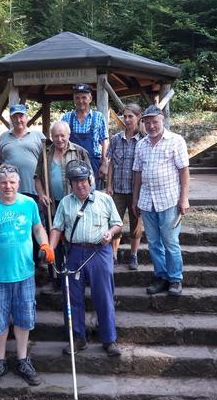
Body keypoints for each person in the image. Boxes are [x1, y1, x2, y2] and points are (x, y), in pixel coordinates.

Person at [0, 164, 55, 388]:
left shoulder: (28, 204)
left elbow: (38, 228)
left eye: (12, 182)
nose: (7, 186)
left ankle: (22, 359)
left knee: (24, 317)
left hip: (24, 273)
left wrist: (46, 244)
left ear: (18, 184)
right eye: (3, 182)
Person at [49, 161, 123, 357]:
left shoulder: (104, 200)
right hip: (74, 252)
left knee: (104, 296)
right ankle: (77, 338)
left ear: (90, 180)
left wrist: (110, 233)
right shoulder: (65, 202)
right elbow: (57, 228)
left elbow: (117, 224)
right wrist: (49, 249)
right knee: (71, 297)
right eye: (75, 182)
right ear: (70, 184)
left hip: (100, 252)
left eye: (83, 180)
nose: (80, 185)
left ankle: (109, 339)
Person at [132, 105, 190, 296]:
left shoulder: (176, 141)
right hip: (147, 201)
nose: (151, 126)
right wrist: (135, 199)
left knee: (170, 242)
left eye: (154, 122)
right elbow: (138, 174)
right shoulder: (141, 145)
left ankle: (175, 279)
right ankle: (161, 277)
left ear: (162, 120)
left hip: (169, 200)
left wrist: (184, 199)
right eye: (147, 122)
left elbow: (184, 171)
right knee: (154, 243)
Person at [106, 104, 143, 270]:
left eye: (131, 116)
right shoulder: (115, 139)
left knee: (136, 225)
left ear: (138, 117)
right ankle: (113, 255)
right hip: (118, 190)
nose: (127, 120)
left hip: (137, 191)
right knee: (115, 223)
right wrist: (108, 185)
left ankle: (133, 255)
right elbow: (111, 164)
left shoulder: (143, 141)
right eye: (125, 116)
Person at [34, 120, 92, 211]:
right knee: (54, 226)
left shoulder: (80, 152)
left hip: (75, 203)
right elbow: (37, 177)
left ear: (69, 135)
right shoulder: (45, 154)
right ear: (51, 137)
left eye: (62, 135)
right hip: (52, 204)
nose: (59, 139)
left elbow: (90, 178)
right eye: (56, 136)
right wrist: (41, 195)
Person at [0, 104, 45, 200]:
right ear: (11, 119)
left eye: (21, 116)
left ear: (26, 117)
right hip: (9, 188)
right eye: (14, 117)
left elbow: (47, 159)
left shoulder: (39, 136)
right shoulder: (3, 137)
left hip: (34, 188)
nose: (18, 120)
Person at [61, 83, 109, 188]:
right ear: (74, 99)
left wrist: (104, 163)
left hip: (94, 163)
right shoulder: (67, 117)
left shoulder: (98, 117)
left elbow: (104, 141)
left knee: (93, 194)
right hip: (71, 162)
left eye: (84, 97)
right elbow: (61, 141)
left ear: (90, 98)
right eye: (77, 98)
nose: (80, 101)